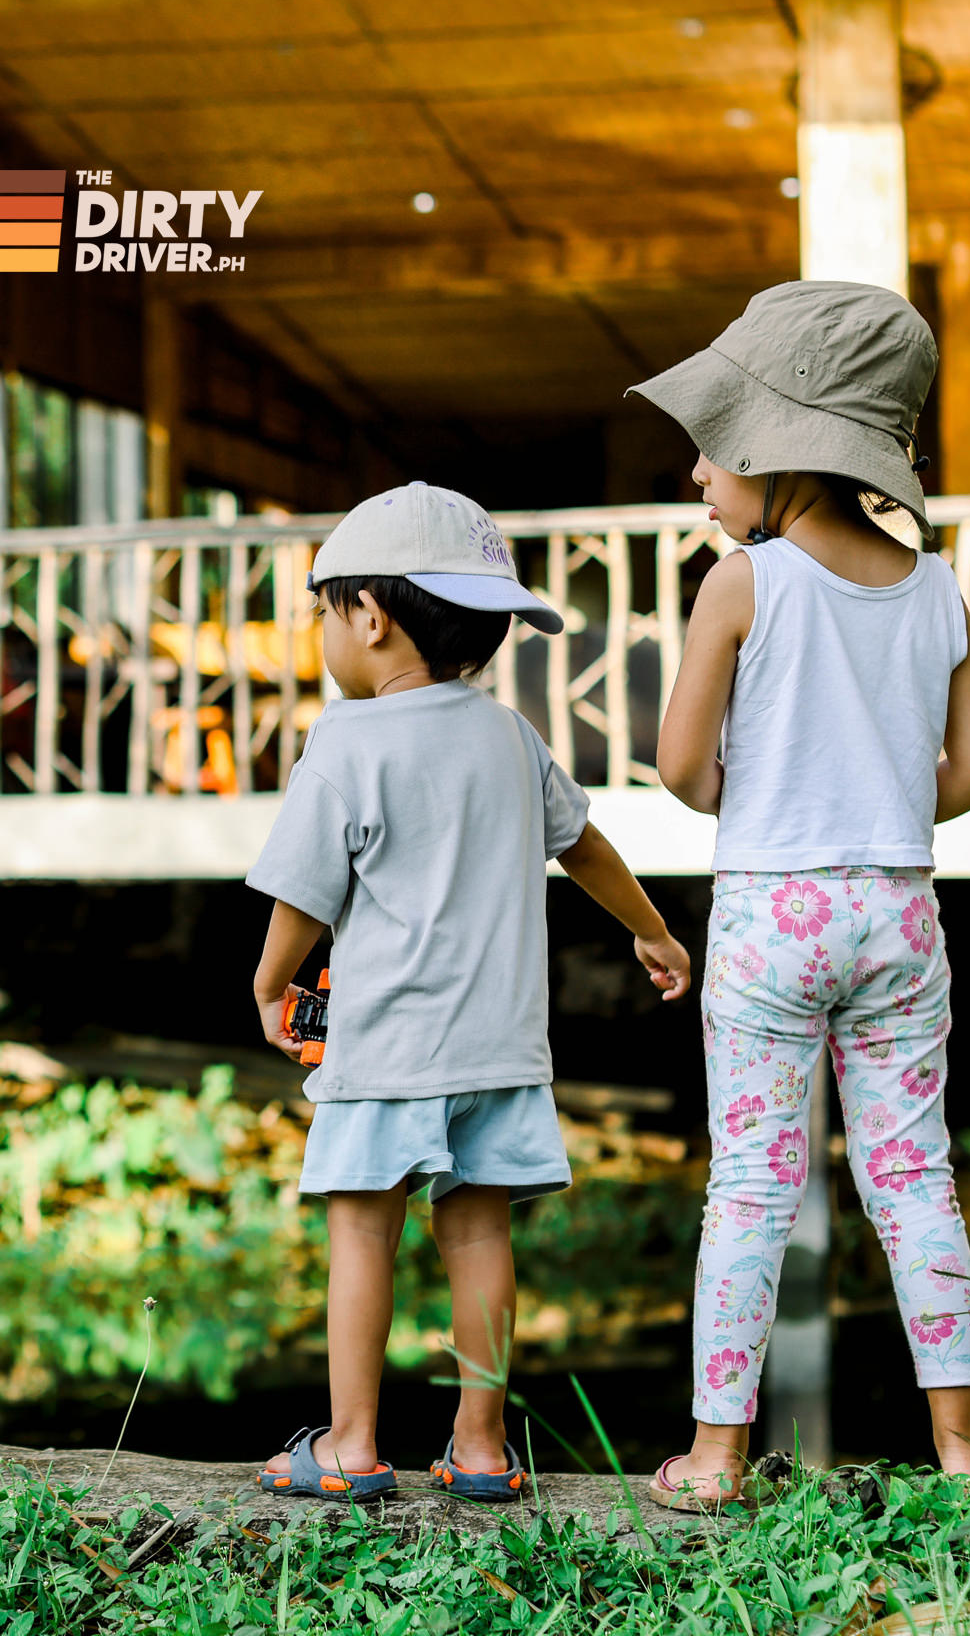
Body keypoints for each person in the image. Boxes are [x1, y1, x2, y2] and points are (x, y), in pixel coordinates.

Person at [625, 278, 970, 1511]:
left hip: (771, 912)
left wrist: (770, 800)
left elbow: (684, 767)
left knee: (752, 1175)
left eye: (715, 443)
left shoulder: (743, 585)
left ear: (779, 445)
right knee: (913, 1171)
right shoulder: (935, 587)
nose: (698, 472)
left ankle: (716, 1453)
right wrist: (883, 814)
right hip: (901, 910)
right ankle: (962, 1442)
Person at [246, 481, 691, 1505]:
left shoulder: (346, 742)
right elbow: (585, 846)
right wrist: (651, 929)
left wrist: (272, 983)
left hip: (388, 1045)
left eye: (322, 608)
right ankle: (480, 1445)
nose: (322, 628)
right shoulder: (511, 737)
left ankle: (353, 1443)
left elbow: (302, 892)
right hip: (499, 1048)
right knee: (479, 1234)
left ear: (369, 614)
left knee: (364, 1229)